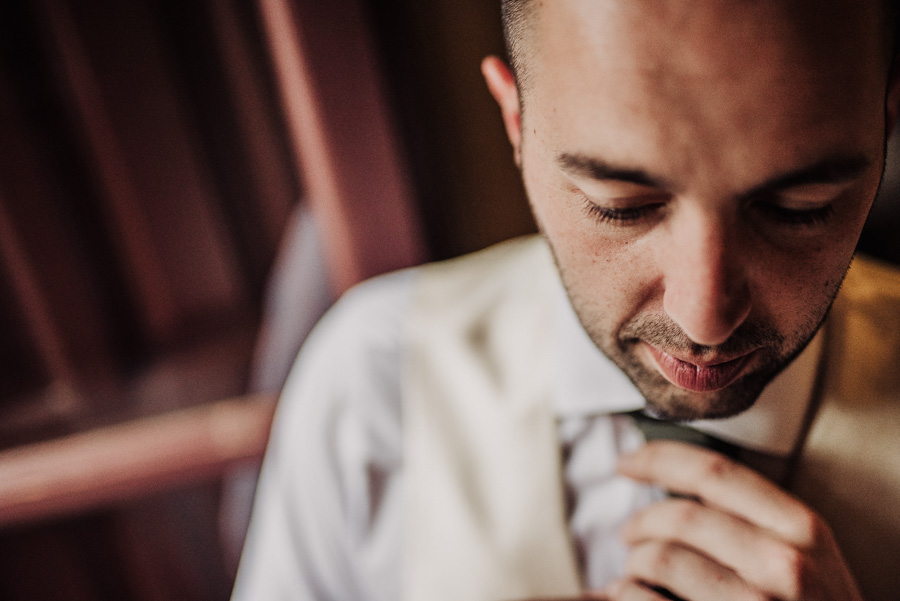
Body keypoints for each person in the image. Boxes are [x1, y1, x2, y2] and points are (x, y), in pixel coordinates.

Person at [231, 1, 900, 600]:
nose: (705, 318)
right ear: (516, 123)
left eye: (798, 208)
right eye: (621, 206)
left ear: (886, 127)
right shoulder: (374, 383)